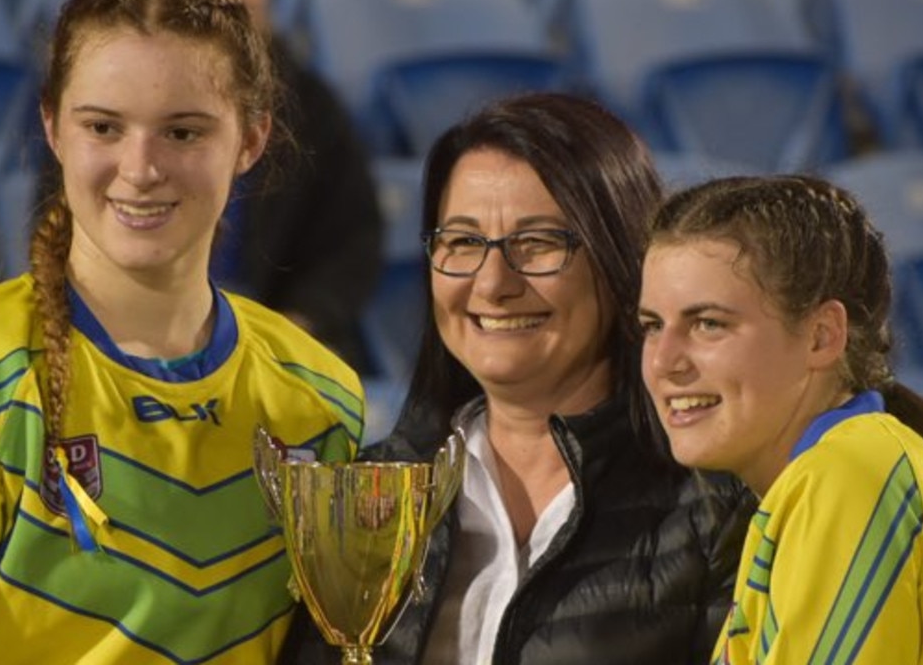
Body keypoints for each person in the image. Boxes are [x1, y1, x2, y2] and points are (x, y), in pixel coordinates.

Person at [0, 0, 363, 664]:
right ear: (52, 127)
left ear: (252, 140)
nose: (140, 167)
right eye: (104, 126)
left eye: (183, 132)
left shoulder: (319, 400)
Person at [283, 92, 754, 665]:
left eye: (538, 243)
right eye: (462, 242)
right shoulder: (366, 499)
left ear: (621, 258)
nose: (492, 284)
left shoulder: (719, 509)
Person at [638, 174, 923, 664]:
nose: (663, 362)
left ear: (822, 337)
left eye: (708, 324)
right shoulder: (839, 473)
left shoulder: (846, 478)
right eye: (652, 326)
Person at [122, 0, 385, 373]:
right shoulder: (106, 108)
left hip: (278, 344)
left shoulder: (306, 101)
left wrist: (297, 321)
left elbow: (352, 239)